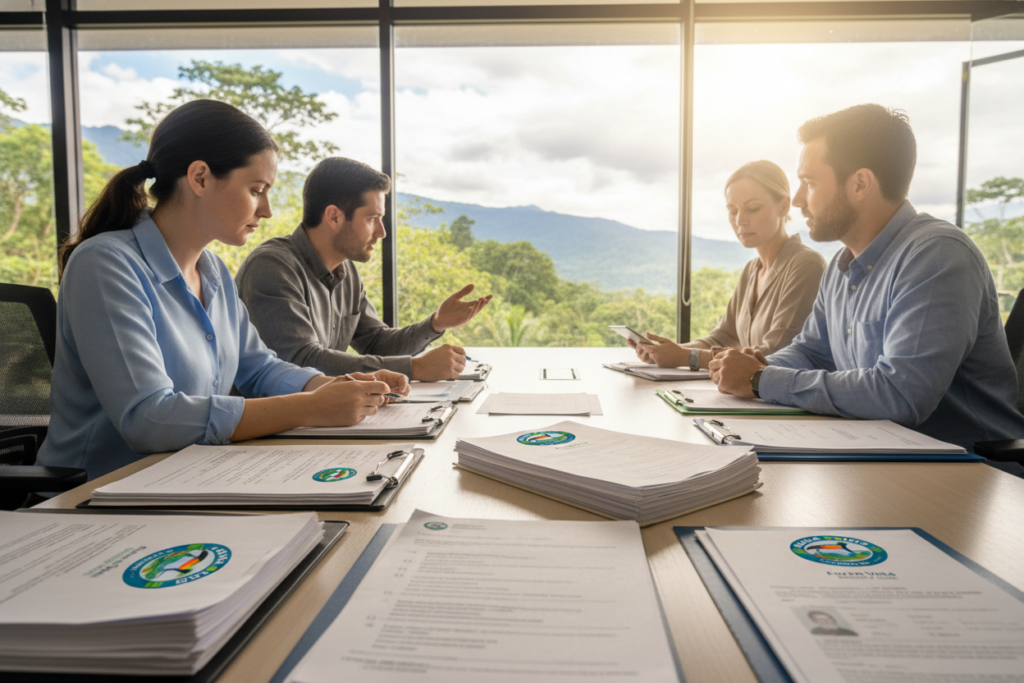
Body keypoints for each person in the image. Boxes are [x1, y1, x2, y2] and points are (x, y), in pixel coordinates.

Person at [36, 100, 408, 483]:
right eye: (256, 189)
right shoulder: (105, 264)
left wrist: (334, 386)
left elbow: (259, 368)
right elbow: (147, 417)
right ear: (199, 178)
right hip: (95, 496)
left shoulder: (211, 269)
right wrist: (309, 407)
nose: (266, 210)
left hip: (189, 480)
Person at [710, 104, 1024, 460]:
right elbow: (813, 351)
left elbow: (901, 395)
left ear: (860, 183)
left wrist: (759, 380)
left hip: (972, 470)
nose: (797, 200)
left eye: (809, 183)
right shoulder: (841, 267)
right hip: (881, 456)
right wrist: (762, 366)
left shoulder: (937, 255)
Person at [235, 157, 492, 382]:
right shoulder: (272, 267)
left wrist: (435, 324)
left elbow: (375, 342)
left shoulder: (346, 271)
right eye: (372, 219)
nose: (382, 232)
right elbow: (300, 361)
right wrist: (415, 368)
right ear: (334, 216)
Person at [630, 160, 826, 370]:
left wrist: (685, 357)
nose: (740, 220)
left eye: (753, 208)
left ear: (784, 206)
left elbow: (776, 354)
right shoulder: (752, 270)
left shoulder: (806, 266)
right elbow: (722, 337)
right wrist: (665, 351)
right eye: (733, 211)